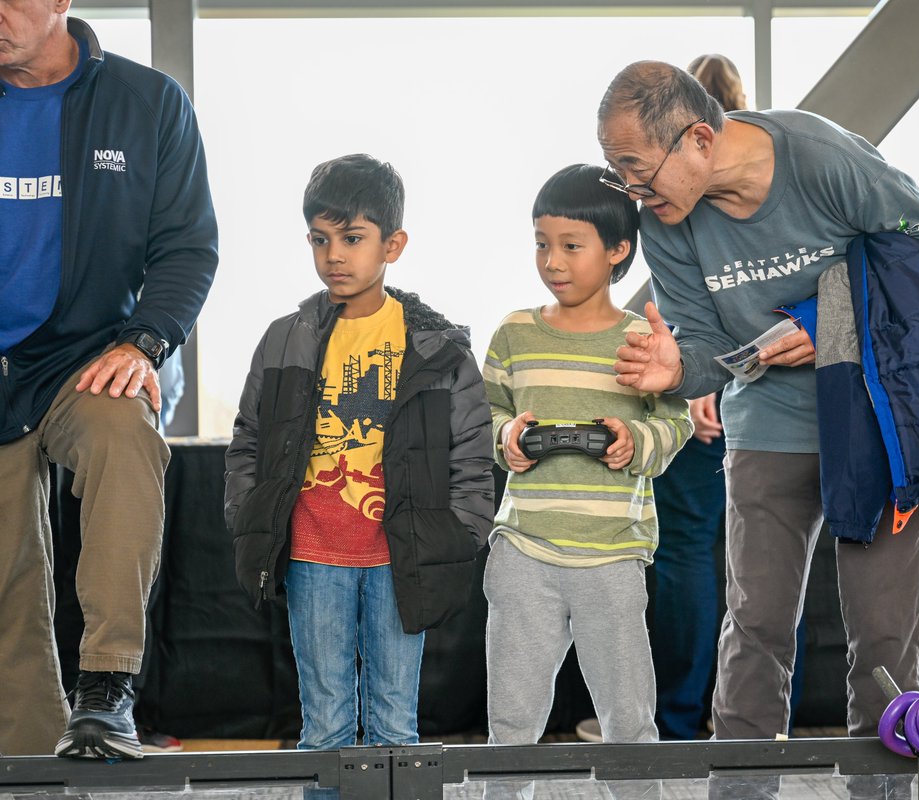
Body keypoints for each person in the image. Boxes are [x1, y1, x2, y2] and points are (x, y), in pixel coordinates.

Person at [598, 61, 919, 797]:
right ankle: (740, 791)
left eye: (637, 171)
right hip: (765, 427)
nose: (634, 194)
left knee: (884, 637)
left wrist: (829, 325)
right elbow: (703, 349)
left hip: (879, 419)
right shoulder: (665, 222)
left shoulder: (822, 158)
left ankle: (883, 791)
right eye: (618, 176)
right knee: (755, 628)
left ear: (699, 138)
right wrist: (676, 368)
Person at [0, 2, 218, 759]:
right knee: (8, 575)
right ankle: (29, 757)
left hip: (91, 355)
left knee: (123, 431)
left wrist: (145, 343)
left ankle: (107, 689)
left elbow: (188, 247)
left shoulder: (147, 103)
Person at [223, 154, 494, 749]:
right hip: (314, 554)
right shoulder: (283, 337)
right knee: (324, 727)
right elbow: (248, 438)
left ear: (392, 244)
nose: (334, 256)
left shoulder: (438, 348)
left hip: (400, 558)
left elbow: (472, 456)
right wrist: (252, 514)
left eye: (352, 238)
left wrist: (458, 534)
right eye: (320, 240)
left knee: (396, 726)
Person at [481, 164, 692, 776]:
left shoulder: (640, 339)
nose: (553, 261)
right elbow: (489, 414)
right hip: (523, 551)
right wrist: (508, 438)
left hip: (613, 558)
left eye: (571, 246)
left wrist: (636, 440)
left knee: (629, 722)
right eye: (542, 244)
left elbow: (674, 422)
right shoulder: (514, 333)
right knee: (511, 722)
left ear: (618, 251)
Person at [644, 52, 807, 744]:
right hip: (761, 398)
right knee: (762, 578)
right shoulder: (766, 178)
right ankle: (747, 720)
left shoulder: (673, 206)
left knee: (686, 556)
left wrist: (695, 385)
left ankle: (680, 721)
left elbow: (677, 318)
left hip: (705, 404)